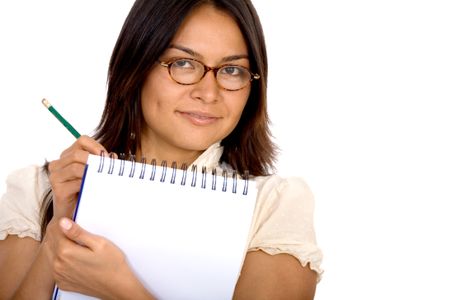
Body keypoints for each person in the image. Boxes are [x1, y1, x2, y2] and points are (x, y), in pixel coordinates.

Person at [0, 0, 323, 299]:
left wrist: (123, 289)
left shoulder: (274, 205)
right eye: (183, 63)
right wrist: (61, 228)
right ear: (136, 67)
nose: (208, 93)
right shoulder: (37, 189)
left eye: (232, 70)